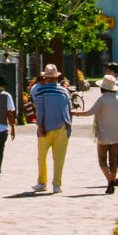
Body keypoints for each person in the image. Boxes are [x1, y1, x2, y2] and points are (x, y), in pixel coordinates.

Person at [29, 64, 72, 193]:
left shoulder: (40, 91)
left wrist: (40, 125)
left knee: (42, 157)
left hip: (46, 127)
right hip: (62, 126)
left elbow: (40, 111)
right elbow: (69, 109)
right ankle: (57, 185)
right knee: (59, 158)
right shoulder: (64, 91)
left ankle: (42, 182)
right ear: (57, 77)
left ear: (46, 77)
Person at [91, 76, 118, 194]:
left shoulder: (102, 99)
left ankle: (110, 180)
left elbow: (90, 112)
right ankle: (112, 179)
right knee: (113, 160)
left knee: (102, 160)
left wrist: (75, 113)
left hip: (104, 133)